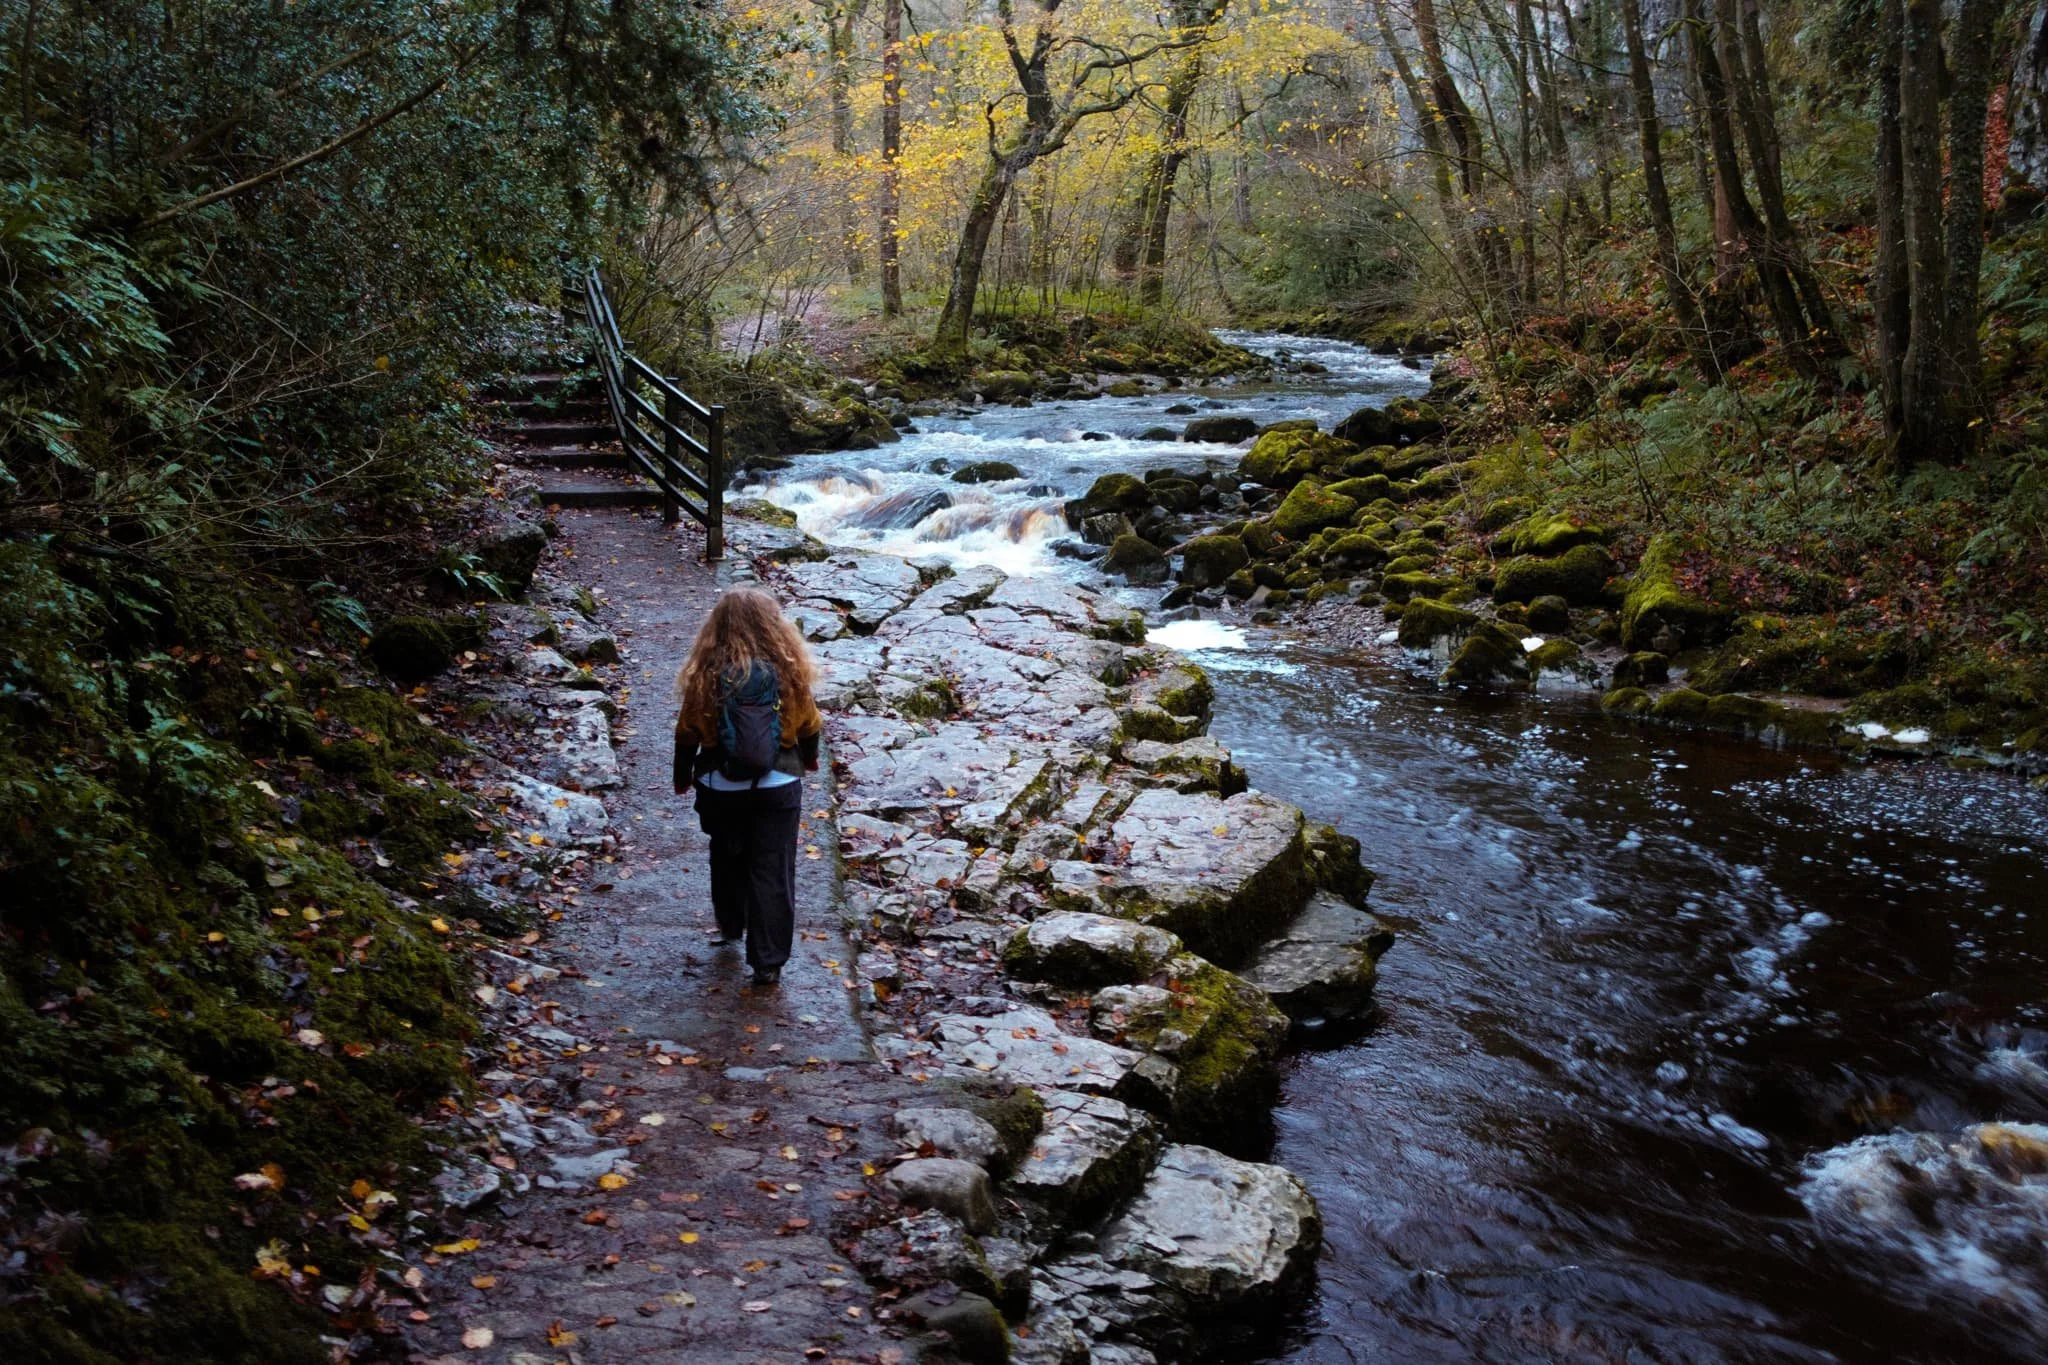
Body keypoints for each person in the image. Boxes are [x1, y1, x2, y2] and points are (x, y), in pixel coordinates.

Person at [672, 588, 822, 987]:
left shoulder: (706, 672)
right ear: (774, 625)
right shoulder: (788, 670)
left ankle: (730, 924)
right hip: (778, 785)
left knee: (726, 851)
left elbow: (687, 732)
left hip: (720, 785)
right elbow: (810, 726)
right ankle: (767, 962)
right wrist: (809, 758)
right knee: (772, 868)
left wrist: (682, 776)